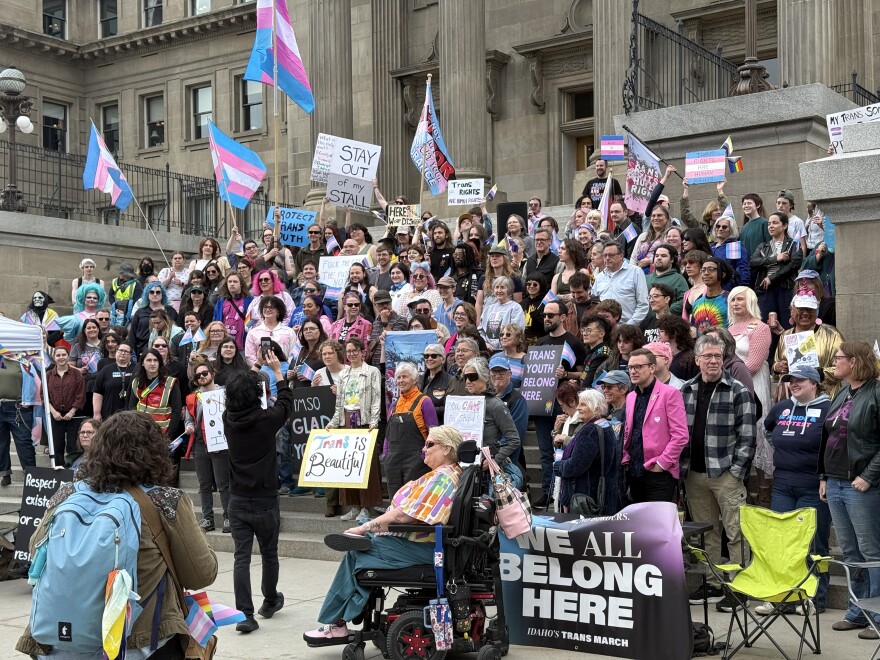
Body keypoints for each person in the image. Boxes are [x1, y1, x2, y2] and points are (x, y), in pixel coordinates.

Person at [15, 411, 218, 658]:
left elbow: (36, 549)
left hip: (60, 641)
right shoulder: (166, 500)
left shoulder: (66, 493)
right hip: (139, 643)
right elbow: (201, 573)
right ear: (155, 452)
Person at [303, 425, 464, 643]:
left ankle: (338, 622)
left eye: (429, 444)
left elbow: (403, 517)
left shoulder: (442, 478)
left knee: (356, 555)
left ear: (446, 449)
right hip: (420, 541)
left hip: (423, 546)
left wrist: (366, 527)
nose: (423, 448)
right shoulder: (451, 474)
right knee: (364, 541)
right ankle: (352, 607)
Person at [681, 334, 757, 611]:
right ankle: (712, 583)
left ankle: (739, 588)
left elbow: (748, 436)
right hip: (694, 474)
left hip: (726, 473)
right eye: (708, 356)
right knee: (705, 534)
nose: (713, 361)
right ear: (698, 359)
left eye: (718, 356)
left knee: (736, 532)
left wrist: (737, 471)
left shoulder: (738, 390)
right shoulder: (686, 390)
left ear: (724, 359)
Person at [223, 349, 293, 633]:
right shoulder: (266, 419)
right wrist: (277, 373)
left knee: (241, 556)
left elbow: (238, 388)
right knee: (269, 552)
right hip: (265, 497)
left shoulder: (229, 418)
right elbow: (287, 402)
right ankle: (269, 600)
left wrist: (257, 366)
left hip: (237, 498)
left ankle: (244, 614)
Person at [754, 365, 831, 616]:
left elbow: (836, 445)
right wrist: (787, 448)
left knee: (814, 545)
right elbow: (767, 428)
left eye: (800, 380)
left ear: (814, 383)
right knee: (782, 543)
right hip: (783, 484)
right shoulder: (783, 407)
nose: (794, 384)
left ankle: (815, 599)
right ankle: (783, 598)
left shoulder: (828, 409)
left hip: (813, 485)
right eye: (790, 380)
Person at [823, 342, 880, 637]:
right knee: (851, 552)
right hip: (835, 482)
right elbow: (828, 436)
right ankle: (857, 612)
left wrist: (869, 476)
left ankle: (877, 616)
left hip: (861, 486)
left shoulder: (876, 392)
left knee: (871, 551)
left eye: (839, 358)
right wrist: (823, 476)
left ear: (855, 362)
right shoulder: (842, 391)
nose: (835, 361)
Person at [532, 300, 588, 507]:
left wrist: (567, 374)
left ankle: (561, 493)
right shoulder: (540, 343)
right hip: (541, 402)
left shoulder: (573, 343)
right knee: (545, 451)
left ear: (563, 317)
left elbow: (584, 372)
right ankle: (547, 492)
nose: (546, 318)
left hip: (563, 402)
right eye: (545, 315)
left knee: (564, 448)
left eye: (551, 315)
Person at [325, 337, 382, 521]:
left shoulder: (372, 372)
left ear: (361, 351)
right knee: (349, 465)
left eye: (354, 350)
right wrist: (334, 422)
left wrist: (374, 423)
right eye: (348, 351)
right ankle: (354, 506)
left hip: (364, 420)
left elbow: (376, 399)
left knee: (365, 467)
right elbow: (339, 402)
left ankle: (366, 507)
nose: (351, 354)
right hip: (347, 420)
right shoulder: (343, 374)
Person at [622, 348, 689, 503]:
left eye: (638, 367)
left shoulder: (670, 393)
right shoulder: (631, 396)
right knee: (640, 524)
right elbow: (630, 430)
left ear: (652, 368)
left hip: (658, 473)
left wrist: (661, 463)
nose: (633, 371)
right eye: (631, 367)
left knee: (657, 523)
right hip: (634, 471)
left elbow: (680, 435)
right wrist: (626, 459)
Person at [552, 388, 620, 515]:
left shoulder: (590, 432)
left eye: (583, 404)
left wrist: (558, 466)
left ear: (596, 408)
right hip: (600, 495)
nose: (578, 408)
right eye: (579, 404)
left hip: (586, 499)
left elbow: (575, 466)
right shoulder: (605, 425)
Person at [183, 361, 231, 534]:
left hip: (220, 441)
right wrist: (188, 427)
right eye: (198, 376)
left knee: (223, 483)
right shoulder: (192, 397)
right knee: (204, 484)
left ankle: (228, 517)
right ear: (195, 380)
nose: (202, 377)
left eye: (205, 373)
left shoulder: (225, 393)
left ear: (212, 373)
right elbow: (189, 419)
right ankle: (208, 518)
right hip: (200, 442)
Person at [463, 358, 523, 488]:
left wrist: (493, 461)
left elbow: (514, 439)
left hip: (489, 473)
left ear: (484, 378)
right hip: (467, 468)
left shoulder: (495, 405)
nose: (468, 381)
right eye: (465, 377)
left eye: (472, 377)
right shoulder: (463, 403)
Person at [772, 289, 845, 397]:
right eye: (801, 309)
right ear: (791, 311)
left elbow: (844, 367)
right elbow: (775, 370)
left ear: (817, 311)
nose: (805, 313)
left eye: (810, 309)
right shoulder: (785, 335)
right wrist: (777, 368)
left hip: (823, 397)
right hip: (792, 398)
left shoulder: (832, 334)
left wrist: (820, 373)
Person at [383, 362, 439, 496]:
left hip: (416, 462)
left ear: (414, 379)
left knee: (414, 501)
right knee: (395, 501)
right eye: (398, 377)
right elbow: (388, 435)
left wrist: (424, 457)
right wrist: (386, 455)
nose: (401, 380)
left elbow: (435, 433)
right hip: (393, 461)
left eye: (405, 377)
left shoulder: (424, 401)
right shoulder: (394, 405)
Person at [751, 211, 803, 329]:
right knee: (766, 326)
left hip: (785, 289)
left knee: (788, 324)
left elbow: (795, 264)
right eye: (769, 223)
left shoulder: (793, 244)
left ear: (784, 226)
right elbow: (753, 262)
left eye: (775, 223)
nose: (771, 226)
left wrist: (772, 278)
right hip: (765, 290)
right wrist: (775, 258)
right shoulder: (763, 246)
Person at [46, 344, 85, 466]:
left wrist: (72, 411)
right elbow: (44, 395)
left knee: (73, 445)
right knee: (57, 445)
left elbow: (80, 394)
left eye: (64, 355)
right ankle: (58, 471)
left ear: (68, 356)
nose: (61, 357)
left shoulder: (76, 374)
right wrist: (53, 412)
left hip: (73, 415)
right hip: (55, 414)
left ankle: (73, 470)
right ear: (54, 357)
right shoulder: (48, 375)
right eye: (58, 355)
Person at [593, 241, 649, 325]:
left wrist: (629, 325)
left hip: (629, 329)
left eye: (611, 255)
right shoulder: (600, 277)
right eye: (605, 255)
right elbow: (594, 302)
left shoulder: (635, 272)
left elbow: (643, 304)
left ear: (621, 256)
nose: (607, 258)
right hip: (605, 328)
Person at [128, 283, 178, 358]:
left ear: (162, 294)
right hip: (143, 352)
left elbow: (177, 332)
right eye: (151, 292)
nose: (155, 294)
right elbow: (132, 335)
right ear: (147, 294)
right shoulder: (140, 312)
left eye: (158, 292)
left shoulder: (170, 311)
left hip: (166, 352)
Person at [244, 295, 296, 368]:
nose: (268, 309)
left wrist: (286, 369)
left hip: (284, 372)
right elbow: (250, 357)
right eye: (265, 307)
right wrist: (261, 370)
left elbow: (293, 355)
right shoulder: (253, 332)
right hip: (261, 373)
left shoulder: (289, 331)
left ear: (278, 311)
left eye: (271, 307)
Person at [687, 256, 732, 335]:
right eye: (703, 270)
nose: (706, 273)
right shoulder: (697, 303)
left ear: (723, 274)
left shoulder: (730, 299)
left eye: (711, 269)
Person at [479, 276, 526, 352]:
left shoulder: (515, 307)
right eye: (496, 287)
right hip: (488, 350)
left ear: (509, 289)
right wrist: (485, 344)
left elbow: (518, 331)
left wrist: (505, 344)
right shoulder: (488, 309)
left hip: (507, 351)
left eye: (502, 287)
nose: (499, 290)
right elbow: (480, 330)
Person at [92, 342, 136, 422]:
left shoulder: (136, 370)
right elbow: (98, 392)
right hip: (109, 413)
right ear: (116, 352)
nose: (123, 353)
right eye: (120, 350)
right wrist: (97, 413)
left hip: (131, 414)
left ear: (130, 355)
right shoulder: (106, 370)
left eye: (126, 351)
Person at [646, 244, 689, 315]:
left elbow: (685, 300)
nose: (659, 258)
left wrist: (666, 310)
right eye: (657, 256)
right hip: (646, 323)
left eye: (663, 256)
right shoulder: (646, 278)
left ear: (672, 259)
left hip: (667, 322)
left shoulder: (679, 279)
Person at [421, 343, 451, 420]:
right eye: (426, 356)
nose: (429, 359)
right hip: (419, 426)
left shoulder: (450, 380)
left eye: (434, 356)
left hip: (439, 426)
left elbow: (451, 407)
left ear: (443, 359)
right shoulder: (418, 379)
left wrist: (429, 410)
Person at [738, 193, 770, 260]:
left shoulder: (764, 223)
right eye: (744, 204)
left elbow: (769, 246)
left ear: (757, 205)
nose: (746, 206)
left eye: (749, 203)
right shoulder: (744, 227)